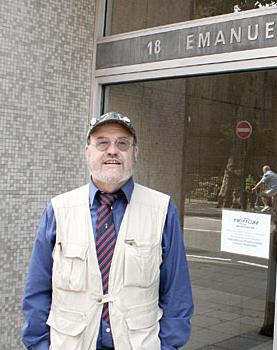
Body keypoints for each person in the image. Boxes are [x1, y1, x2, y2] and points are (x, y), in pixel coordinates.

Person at [22, 112, 193, 350]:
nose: (112, 150)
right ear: (87, 152)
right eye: (102, 142)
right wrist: (39, 345)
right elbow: (38, 289)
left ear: (135, 153)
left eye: (122, 143)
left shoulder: (162, 210)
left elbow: (177, 292)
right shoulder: (59, 210)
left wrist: (168, 346)